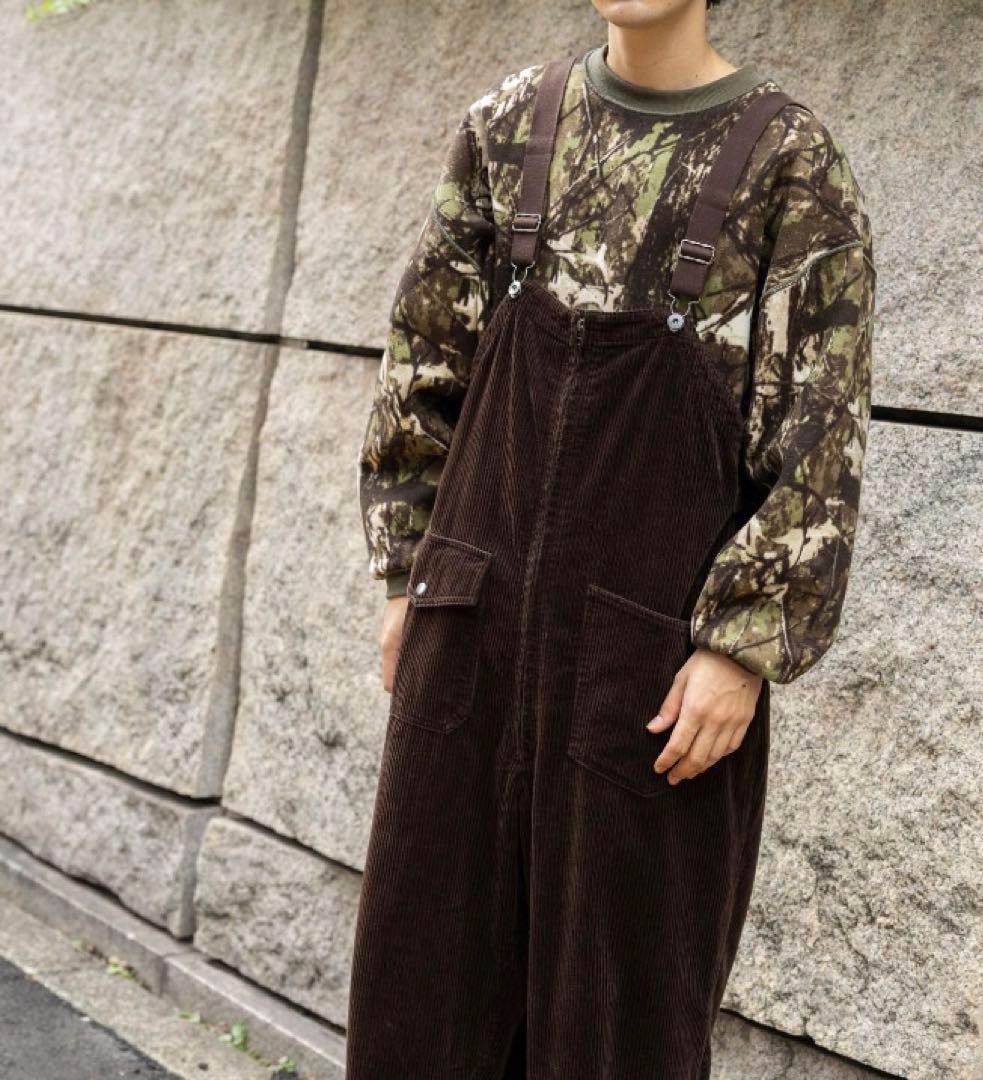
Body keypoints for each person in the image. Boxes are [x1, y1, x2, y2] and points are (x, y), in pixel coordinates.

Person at [346, 1, 875, 1077]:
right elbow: (425, 356)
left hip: (654, 687)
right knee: (420, 1002)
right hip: (469, 642)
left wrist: (740, 648)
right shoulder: (509, 126)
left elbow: (822, 436)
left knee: (616, 1031)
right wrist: (408, 574)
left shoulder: (788, 164)